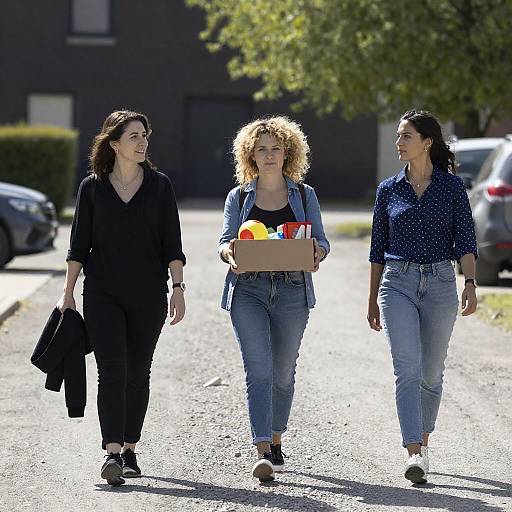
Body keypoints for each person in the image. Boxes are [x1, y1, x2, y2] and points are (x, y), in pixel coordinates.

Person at [57, 110, 186, 486]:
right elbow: (78, 244)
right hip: (103, 293)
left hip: (148, 295)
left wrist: (178, 288)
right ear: (114, 143)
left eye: (145, 135)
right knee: (111, 370)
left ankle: (130, 448)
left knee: (137, 373)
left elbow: (172, 244)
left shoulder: (160, 186)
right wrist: (67, 292)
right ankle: (112, 452)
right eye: (133, 136)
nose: (142, 142)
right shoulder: (91, 188)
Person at [367, 109, 478, 484]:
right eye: (398, 136)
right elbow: (377, 248)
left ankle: (425, 445)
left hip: (441, 284)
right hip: (397, 282)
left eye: (405, 137)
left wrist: (471, 284)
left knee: (431, 373)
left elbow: (465, 240)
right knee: (407, 370)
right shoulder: (388, 189)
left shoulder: (451, 188)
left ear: (427, 142)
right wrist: (371, 299)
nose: (398, 143)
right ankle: (413, 451)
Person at [218, 116, 330, 482]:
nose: (268, 155)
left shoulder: (303, 195)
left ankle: (277, 438)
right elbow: (225, 242)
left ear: (287, 152)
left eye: (275, 149)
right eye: (261, 149)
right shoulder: (239, 196)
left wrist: (317, 254)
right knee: (259, 370)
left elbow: (322, 242)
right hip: (247, 289)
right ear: (250, 154)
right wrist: (229, 255)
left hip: (291, 290)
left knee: (283, 372)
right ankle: (263, 448)